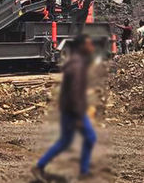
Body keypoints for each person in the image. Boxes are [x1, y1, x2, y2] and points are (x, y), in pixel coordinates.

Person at [32, 34, 97, 181]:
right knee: (88, 138)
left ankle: (41, 165)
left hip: (70, 109)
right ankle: (83, 171)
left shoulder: (77, 63)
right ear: (82, 47)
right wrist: (79, 115)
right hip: (73, 111)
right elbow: (74, 92)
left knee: (66, 141)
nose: (92, 47)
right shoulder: (77, 66)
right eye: (89, 44)